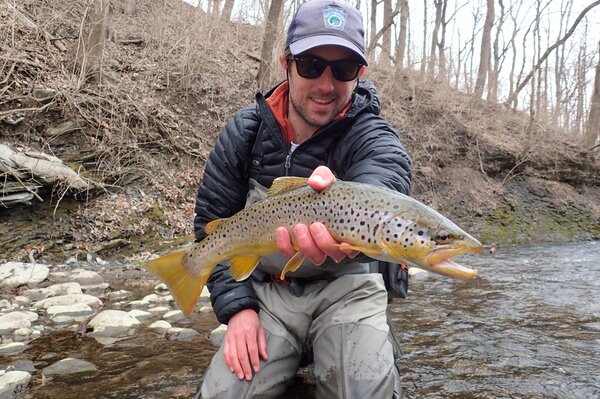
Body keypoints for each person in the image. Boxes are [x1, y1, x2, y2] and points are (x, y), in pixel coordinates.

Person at [193, 0, 411, 397]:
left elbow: (387, 184)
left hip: (348, 288)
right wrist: (237, 307)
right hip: (268, 294)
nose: (326, 85)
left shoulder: (371, 136)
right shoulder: (245, 133)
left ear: (359, 74)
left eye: (343, 69)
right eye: (311, 64)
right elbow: (211, 227)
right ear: (286, 64)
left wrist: (357, 202)